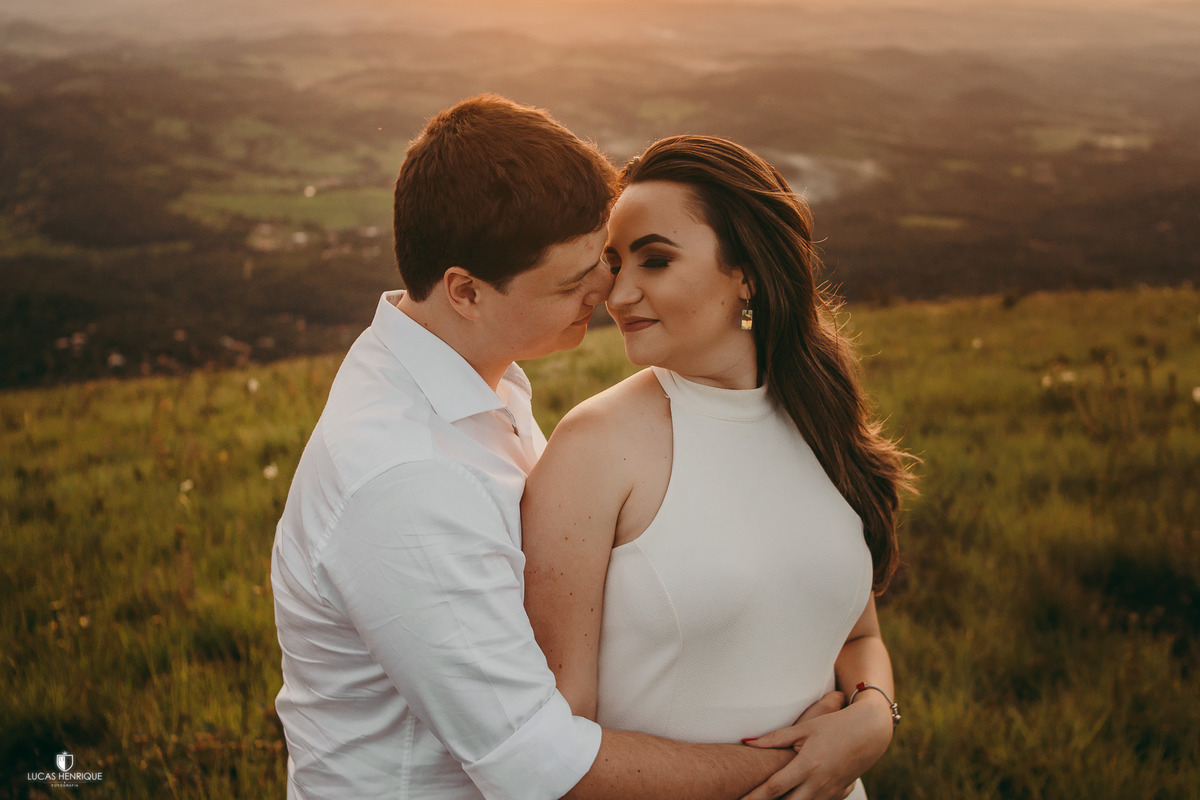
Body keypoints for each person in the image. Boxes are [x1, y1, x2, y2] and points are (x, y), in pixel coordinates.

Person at [271, 95, 856, 800]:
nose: (608, 291)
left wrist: (869, 713)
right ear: (466, 292)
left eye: (601, 261)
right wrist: (805, 767)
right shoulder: (405, 476)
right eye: (577, 280)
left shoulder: (477, 382)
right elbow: (537, 761)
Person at [523, 135, 917, 800]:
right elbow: (557, 738)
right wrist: (785, 770)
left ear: (747, 273)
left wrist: (875, 714)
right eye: (615, 264)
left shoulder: (819, 420)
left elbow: (856, 632)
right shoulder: (596, 446)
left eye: (655, 260)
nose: (618, 295)